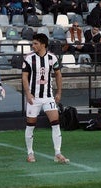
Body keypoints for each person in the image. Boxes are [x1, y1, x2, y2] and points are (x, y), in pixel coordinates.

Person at [22, 33, 69, 163]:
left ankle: (58, 153)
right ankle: (30, 153)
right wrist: (27, 93)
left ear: (43, 44)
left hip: (48, 96)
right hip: (34, 97)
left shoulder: (52, 58)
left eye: (35, 43)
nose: (33, 46)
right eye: (33, 43)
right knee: (30, 125)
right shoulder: (29, 58)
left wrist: (59, 92)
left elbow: (58, 75)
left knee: (55, 124)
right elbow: (24, 76)